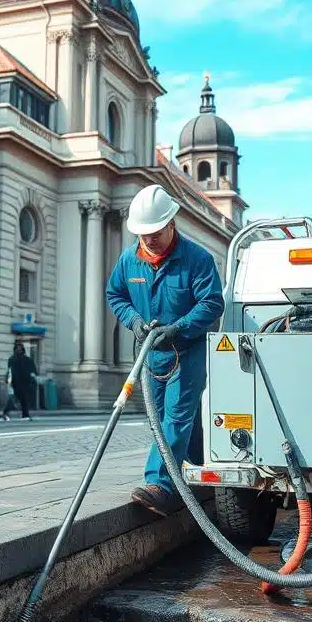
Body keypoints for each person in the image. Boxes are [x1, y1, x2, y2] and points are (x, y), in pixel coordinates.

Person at [106, 184, 224, 516]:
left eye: (155, 232)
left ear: (171, 223)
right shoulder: (129, 260)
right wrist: (133, 321)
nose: (149, 240)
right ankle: (199, 459)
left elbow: (212, 303)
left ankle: (160, 484)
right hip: (149, 354)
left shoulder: (196, 259)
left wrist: (179, 328)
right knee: (159, 417)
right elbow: (116, 296)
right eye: (143, 234)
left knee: (173, 418)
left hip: (187, 352)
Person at [3, 342, 38, 421]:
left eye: (20, 349)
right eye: (17, 348)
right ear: (15, 350)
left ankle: (25, 414)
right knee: (15, 398)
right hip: (16, 382)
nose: (19, 350)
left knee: (23, 399)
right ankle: (6, 412)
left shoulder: (26, 359)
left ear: (22, 350)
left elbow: (32, 370)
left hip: (24, 382)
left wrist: (33, 377)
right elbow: (10, 371)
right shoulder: (12, 359)